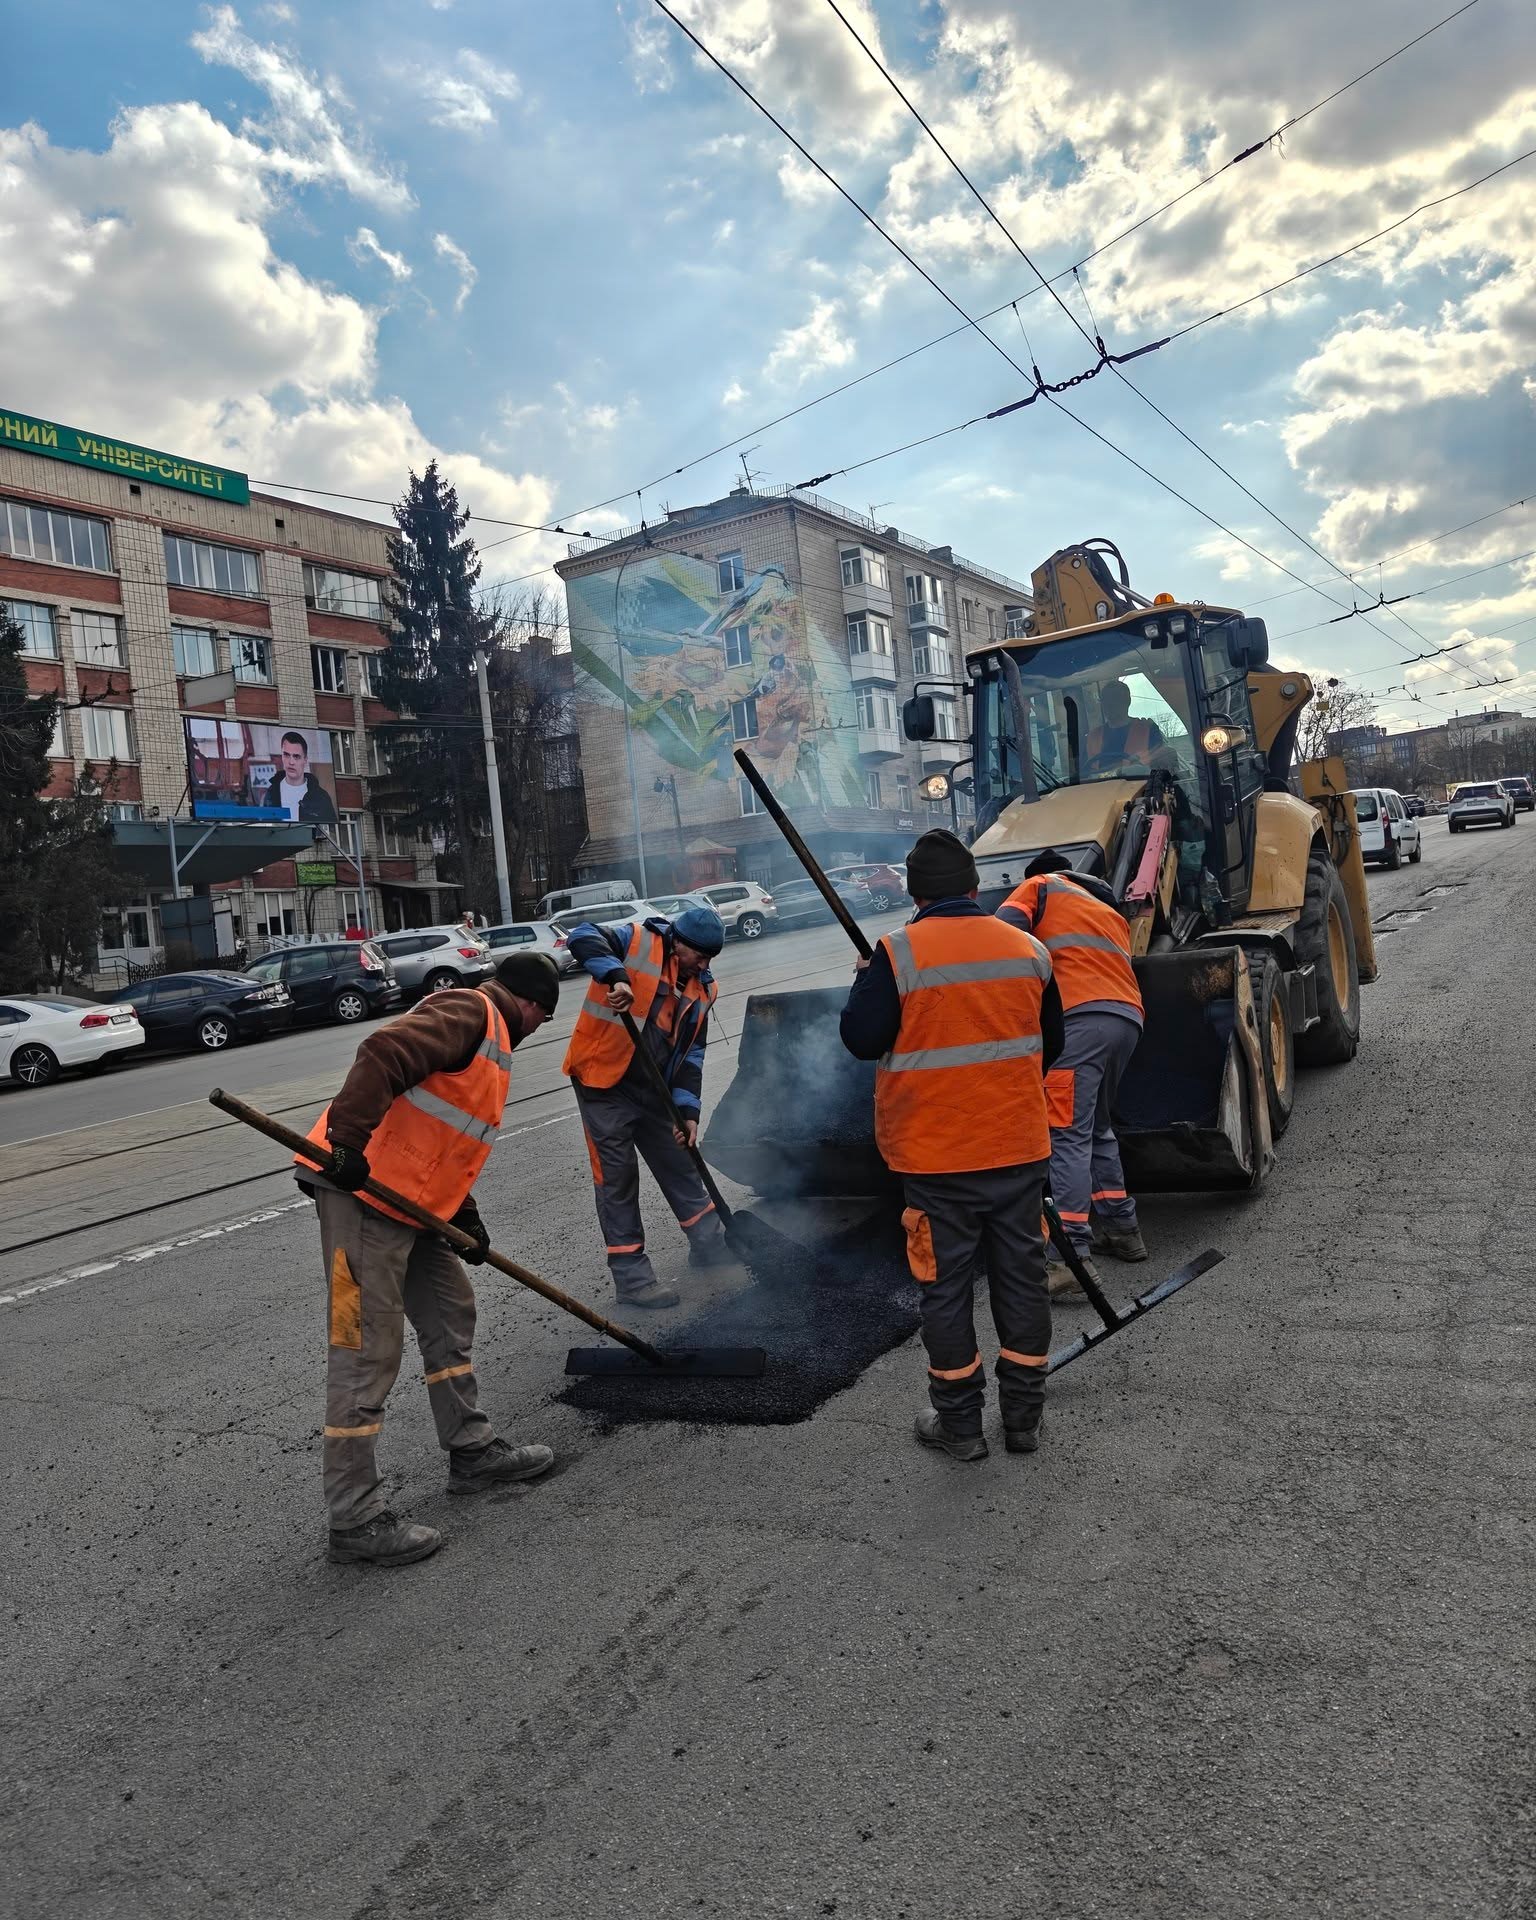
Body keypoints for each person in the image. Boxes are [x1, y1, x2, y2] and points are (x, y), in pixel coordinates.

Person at [295, 949, 562, 1568]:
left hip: (412, 1208)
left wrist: (462, 1215)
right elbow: (381, 1054)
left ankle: (471, 1451)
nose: (541, 1028)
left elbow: (439, 1135)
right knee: (364, 1350)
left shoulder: (489, 1037)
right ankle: (355, 1519)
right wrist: (347, 1144)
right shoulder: (469, 1011)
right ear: (528, 1005)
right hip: (360, 1195)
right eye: (544, 1017)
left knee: (448, 1313)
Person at [840, 829, 1065, 1462]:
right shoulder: (1028, 950)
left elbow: (861, 1039)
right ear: (973, 888)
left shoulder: (896, 953)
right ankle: (1023, 1420)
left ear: (915, 895)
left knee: (945, 1289)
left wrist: (865, 981)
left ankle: (961, 1428)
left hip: (935, 1159)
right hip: (1018, 1148)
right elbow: (1055, 1044)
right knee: (1022, 1280)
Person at [562, 904, 732, 1309]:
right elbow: (582, 935)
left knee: (680, 1160)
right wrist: (615, 976)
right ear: (678, 943)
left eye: (711, 958)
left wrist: (687, 1113)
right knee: (618, 1179)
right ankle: (634, 1281)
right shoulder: (636, 941)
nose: (704, 964)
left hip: (655, 1089)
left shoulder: (704, 989)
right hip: (603, 1082)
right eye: (700, 955)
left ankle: (709, 1245)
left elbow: (692, 1056)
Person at [997, 849, 1146, 1294]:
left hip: (1079, 1021)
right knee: (1096, 1128)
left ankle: (1070, 1259)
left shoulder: (1039, 886)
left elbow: (1000, 936)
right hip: (1126, 1020)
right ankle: (1123, 1229)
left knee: (1066, 1135)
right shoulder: (1106, 909)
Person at [1084, 680, 1163, 773]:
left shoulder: (1148, 730)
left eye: (1115, 699)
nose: (1109, 704)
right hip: (1098, 786)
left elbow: (1161, 767)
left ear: (1127, 701)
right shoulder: (1093, 737)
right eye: (1104, 700)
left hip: (1142, 786)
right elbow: (1084, 773)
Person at [259, 730, 337, 824]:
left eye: (296, 757)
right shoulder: (271, 794)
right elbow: (263, 828)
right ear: (282, 756)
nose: (291, 762)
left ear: (305, 760)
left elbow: (331, 830)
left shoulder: (320, 797)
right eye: (286, 755)